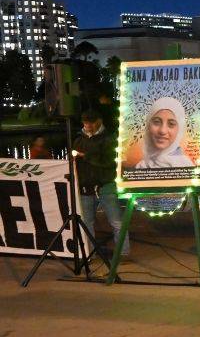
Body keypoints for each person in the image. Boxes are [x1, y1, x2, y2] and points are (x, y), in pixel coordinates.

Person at [73, 110, 129, 256]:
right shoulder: (79, 139)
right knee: (87, 223)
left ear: (99, 121)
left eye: (91, 122)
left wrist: (85, 156)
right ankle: (90, 253)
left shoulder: (109, 139)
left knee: (116, 222)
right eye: (85, 122)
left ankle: (123, 253)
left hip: (106, 185)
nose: (88, 125)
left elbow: (109, 162)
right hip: (85, 187)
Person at [134, 97, 192, 169]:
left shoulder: (187, 167)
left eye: (171, 124)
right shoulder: (141, 166)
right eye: (156, 122)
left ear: (179, 130)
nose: (162, 131)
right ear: (148, 125)